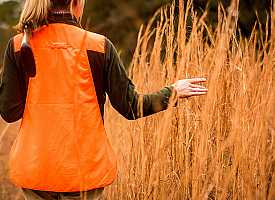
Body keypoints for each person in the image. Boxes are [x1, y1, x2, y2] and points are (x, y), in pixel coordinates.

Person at [0, 0, 208, 199]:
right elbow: (132, 107)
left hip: (36, 168)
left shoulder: (18, 46)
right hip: (84, 172)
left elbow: (9, 112)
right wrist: (173, 91)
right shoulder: (99, 46)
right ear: (76, 3)